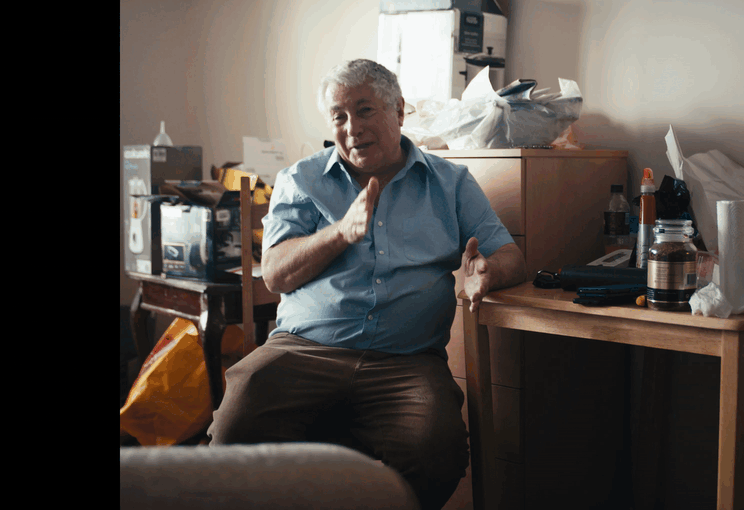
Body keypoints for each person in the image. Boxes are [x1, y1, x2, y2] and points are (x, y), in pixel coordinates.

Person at [207, 58, 526, 510]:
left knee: (436, 453)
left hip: (408, 361)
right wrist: (341, 232)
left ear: (399, 110)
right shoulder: (301, 179)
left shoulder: (450, 182)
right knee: (232, 432)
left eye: (364, 110)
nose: (351, 127)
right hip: (304, 350)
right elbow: (276, 273)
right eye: (338, 116)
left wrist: (488, 273)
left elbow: (510, 254)